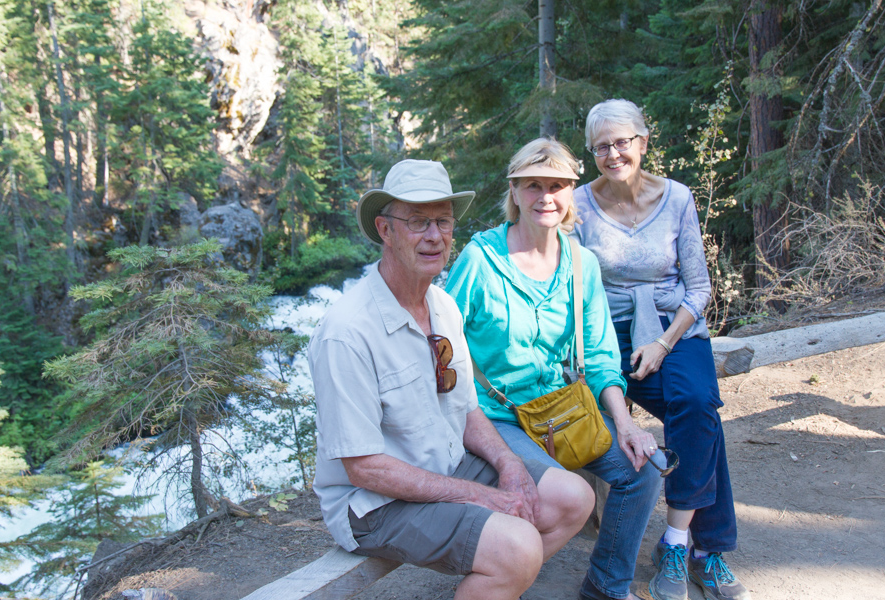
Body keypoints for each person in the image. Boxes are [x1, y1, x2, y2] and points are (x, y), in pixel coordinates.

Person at [309, 159, 594, 600]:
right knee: (518, 548)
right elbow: (362, 467)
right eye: (418, 222)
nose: (434, 236)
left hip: (443, 465)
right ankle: (502, 573)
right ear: (385, 230)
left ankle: (494, 587)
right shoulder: (347, 332)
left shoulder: (442, 306)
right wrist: (478, 497)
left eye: (443, 221)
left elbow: (466, 409)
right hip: (375, 505)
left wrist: (510, 464)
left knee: (573, 497)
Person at [445, 139, 662, 600]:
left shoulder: (581, 263)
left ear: (571, 192)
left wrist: (625, 424)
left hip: (561, 409)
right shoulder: (480, 261)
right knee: (557, 495)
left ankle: (606, 586)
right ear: (515, 192)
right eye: (533, 186)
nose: (546, 197)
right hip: (497, 416)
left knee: (641, 470)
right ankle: (499, 581)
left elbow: (603, 355)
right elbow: (442, 344)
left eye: (557, 185)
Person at [572, 99, 750, 600]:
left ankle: (676, 542)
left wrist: (663, 343)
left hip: (674, 326)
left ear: (643, 142)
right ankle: (707, 550)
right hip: (606, 333)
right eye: (601, 146)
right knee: (702, 421)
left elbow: (699, 288)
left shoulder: (677, 198)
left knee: (696, 405)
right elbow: (568, 279)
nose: (612, 154)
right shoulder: (579, 206)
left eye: (622, 142)